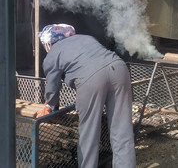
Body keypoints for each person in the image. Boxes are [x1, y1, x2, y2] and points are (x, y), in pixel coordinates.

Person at [36, 24, 136, 168]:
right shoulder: (86, 38)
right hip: (119, 69)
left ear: (50, 42)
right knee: (122, 130)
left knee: (89, 134)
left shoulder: (54, 53)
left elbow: (52, 86)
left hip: (92, 79)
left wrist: (50, 107)